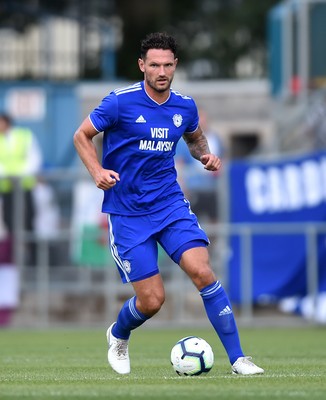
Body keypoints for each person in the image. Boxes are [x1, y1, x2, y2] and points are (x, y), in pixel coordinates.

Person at [73, 32, 264, 376]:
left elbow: (194, 137)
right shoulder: (119, 102)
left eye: (167, 65)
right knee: (152, 300)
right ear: (142, 66)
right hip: (127, 211)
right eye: (154, 65)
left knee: (203, 272)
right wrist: (97, 170)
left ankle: (239, 359)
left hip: (169, 204)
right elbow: (81, 135)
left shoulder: (185, 106)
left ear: (175, 65)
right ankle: (119, 334)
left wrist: (204, 154)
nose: (161, 71)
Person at [0, 112, 43, 325]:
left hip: (23, 190)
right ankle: (17, 266)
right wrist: (8, 174)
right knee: (10, 232)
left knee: (29, 226)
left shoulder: (24, 136)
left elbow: (34, 159)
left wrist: (19, 174)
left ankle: (33, 264)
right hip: (6, 192)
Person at [175, 109, 224, 223]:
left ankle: (213, 241)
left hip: (213, 187)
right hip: (193, 188)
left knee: (215, 220)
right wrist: (182, 187)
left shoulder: (215, 138)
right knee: (193, 221)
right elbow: (179, 164)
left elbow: (223, 157)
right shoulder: (183, 142)